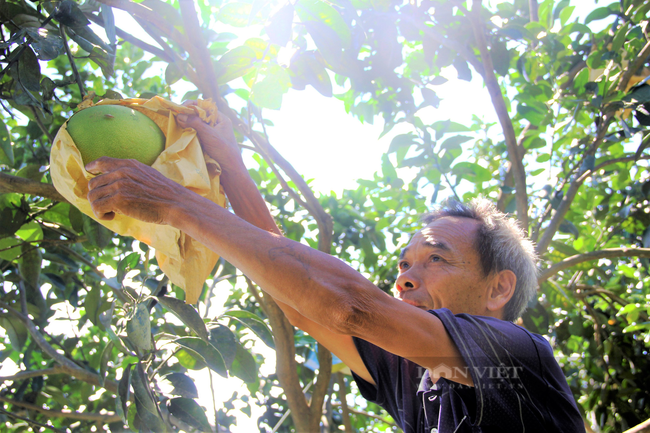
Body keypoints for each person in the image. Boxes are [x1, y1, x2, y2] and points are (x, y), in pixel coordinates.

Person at [85, 110, 586, 432]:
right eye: (404, 263)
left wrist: (177, 205)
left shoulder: (520, 356)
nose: (406, 278)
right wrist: (232, 168)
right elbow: (310, 306)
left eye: (436, 258)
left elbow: (350, 305)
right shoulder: (421, 377)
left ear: (499, 287)